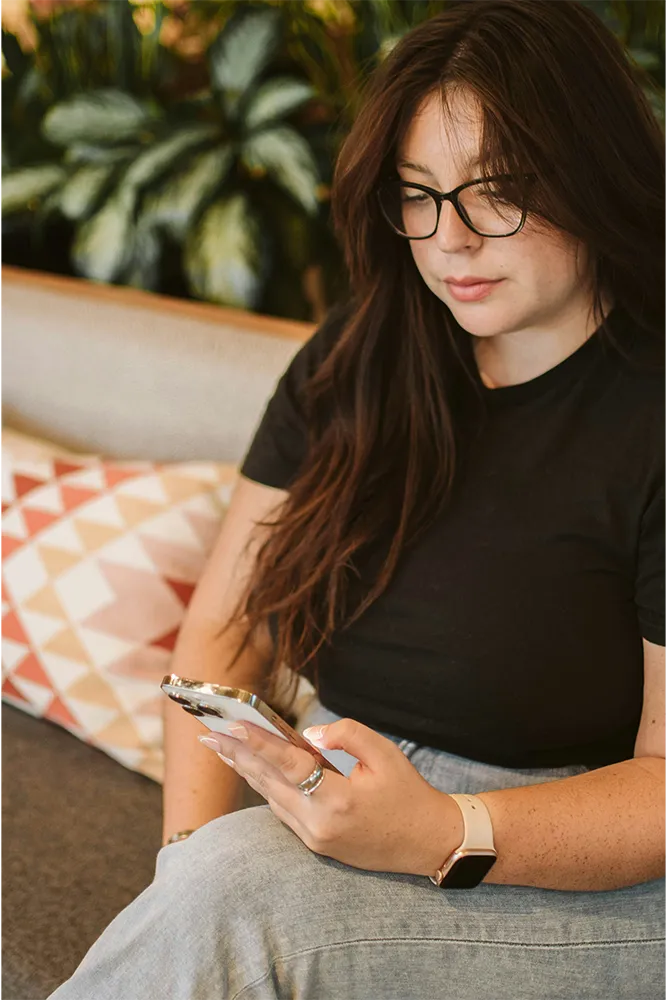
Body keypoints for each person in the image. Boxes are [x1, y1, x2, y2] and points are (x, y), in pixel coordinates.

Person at [48, 0, 665, 997]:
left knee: (240, 905)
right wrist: (187, 868)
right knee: (224, 896)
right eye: (417, 195)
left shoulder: (649, 417)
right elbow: (226, 635)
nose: (449, 240)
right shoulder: (360, 358)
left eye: (496, 192)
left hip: (586, 864)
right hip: (319, 810)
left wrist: (442, 830)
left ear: (594, 170)